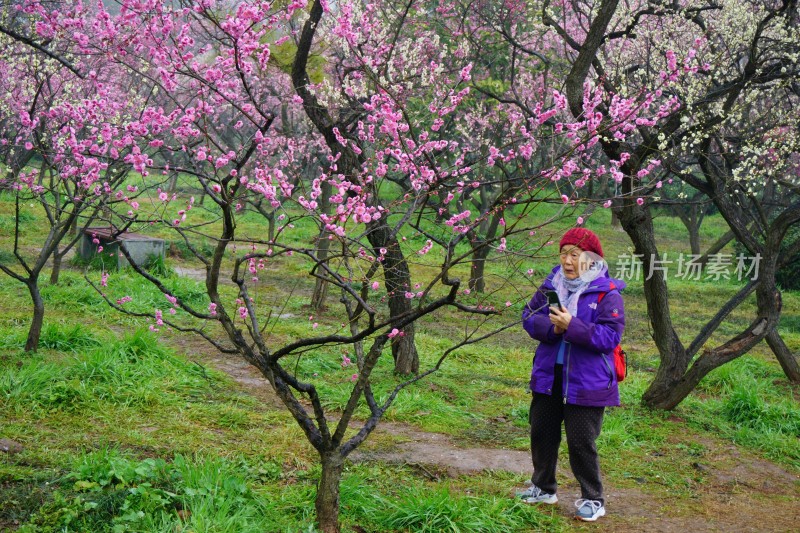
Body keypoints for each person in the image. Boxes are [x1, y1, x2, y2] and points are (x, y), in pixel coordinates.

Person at [518, 227, 625, 522]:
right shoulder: (551, 286)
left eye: (574, 254)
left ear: (590, 258)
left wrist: (572, 325)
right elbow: (529, 317)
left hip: (587, 382)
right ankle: (543, 487)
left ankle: (593, 498)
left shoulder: (606, 293)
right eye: (563, 253)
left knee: (581, 442)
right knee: (542, 433)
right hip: (549, 375)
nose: (567, 260)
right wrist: (553, 328)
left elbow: (609, 337)